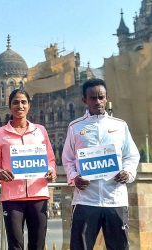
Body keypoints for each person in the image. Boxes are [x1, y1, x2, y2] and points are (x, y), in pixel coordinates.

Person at [62, 78, 140, 250]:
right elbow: (67, 159)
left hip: (115, 199)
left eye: (101, 97)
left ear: (107, 98)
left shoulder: (120, 126)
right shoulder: (75, 127)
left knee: (119, 247)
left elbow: (131, 155)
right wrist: (75, 177)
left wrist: (127, 172)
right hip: (86, 200)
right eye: (92, 98)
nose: (97, 101)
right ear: (84, 100)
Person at [0, 88, 57, 250]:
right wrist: (0, 173)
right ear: (9, 105)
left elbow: (50, 159)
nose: (20, 105)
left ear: (29, 105)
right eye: (15, 102)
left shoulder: (40, 131)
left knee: (38, 244)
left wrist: (51, 171)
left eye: (23, 102)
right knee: (16, 245)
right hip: (12, 198)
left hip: (38, 195)